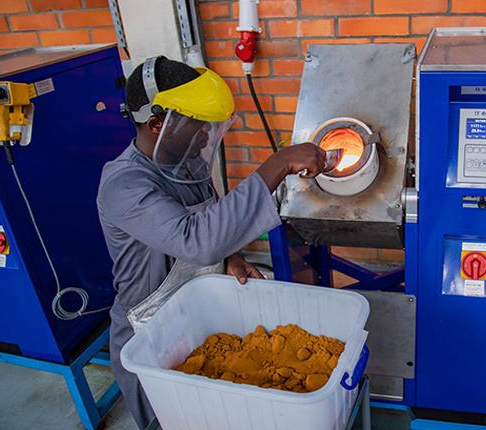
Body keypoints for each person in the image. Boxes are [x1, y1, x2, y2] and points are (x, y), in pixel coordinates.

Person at [96, 56, 326, 429]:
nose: (206, 134)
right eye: (196, 124)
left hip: (197, 316)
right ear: (157, 124)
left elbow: (209, 217)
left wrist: (231, 255)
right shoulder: (125, 185)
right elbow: (195, 238)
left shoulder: (181, 164)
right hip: (152, 335)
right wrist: (277, 164)